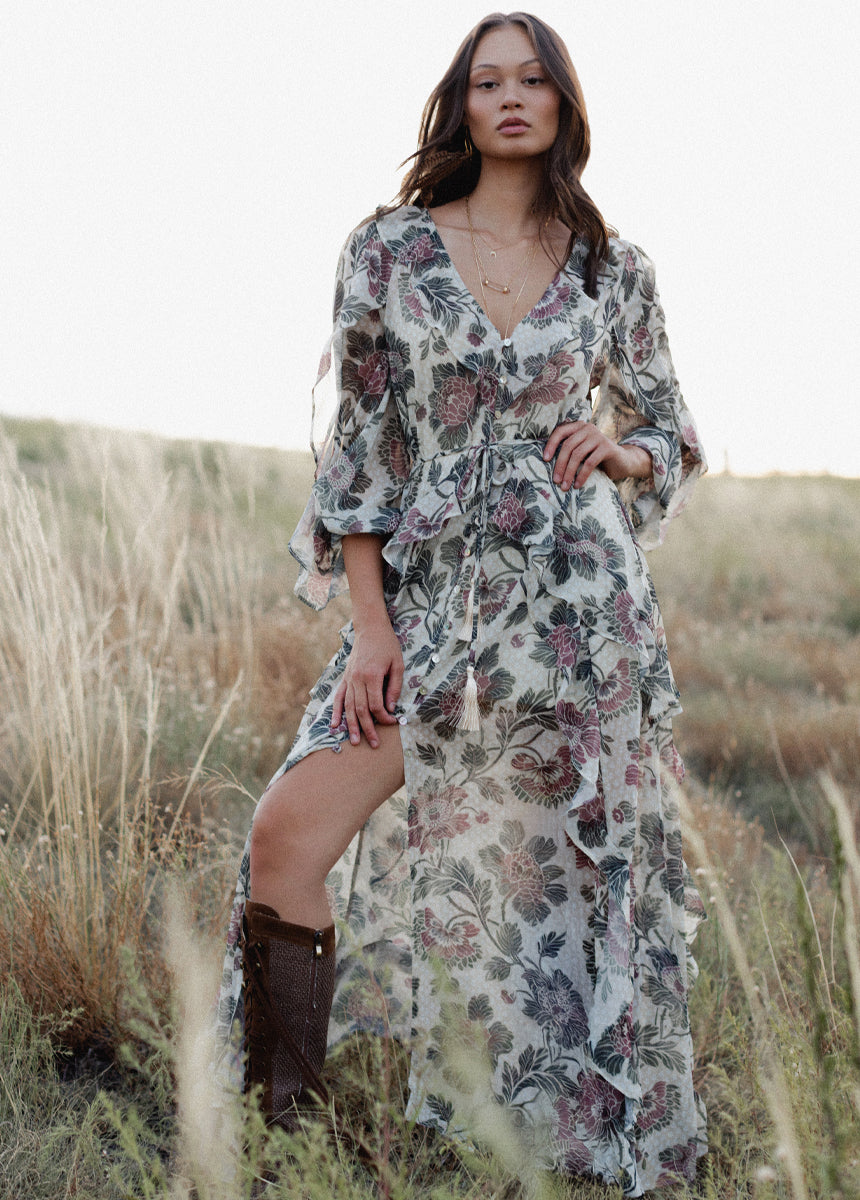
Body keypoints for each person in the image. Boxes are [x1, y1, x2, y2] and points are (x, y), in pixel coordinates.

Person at [216, 11, 708, 1195]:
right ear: (460, 103)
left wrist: (620, 449)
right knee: (287, 836)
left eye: (532, 79)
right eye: (487, 81)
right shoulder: (388, 251)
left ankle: (550, 1143)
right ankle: (276, 1144)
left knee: (568, 883)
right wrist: (370, 630)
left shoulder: (613, 268)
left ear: (562, 104)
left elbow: (672, 431)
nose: (510, 97)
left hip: (572, 613)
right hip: (429, 604)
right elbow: (359, 453)